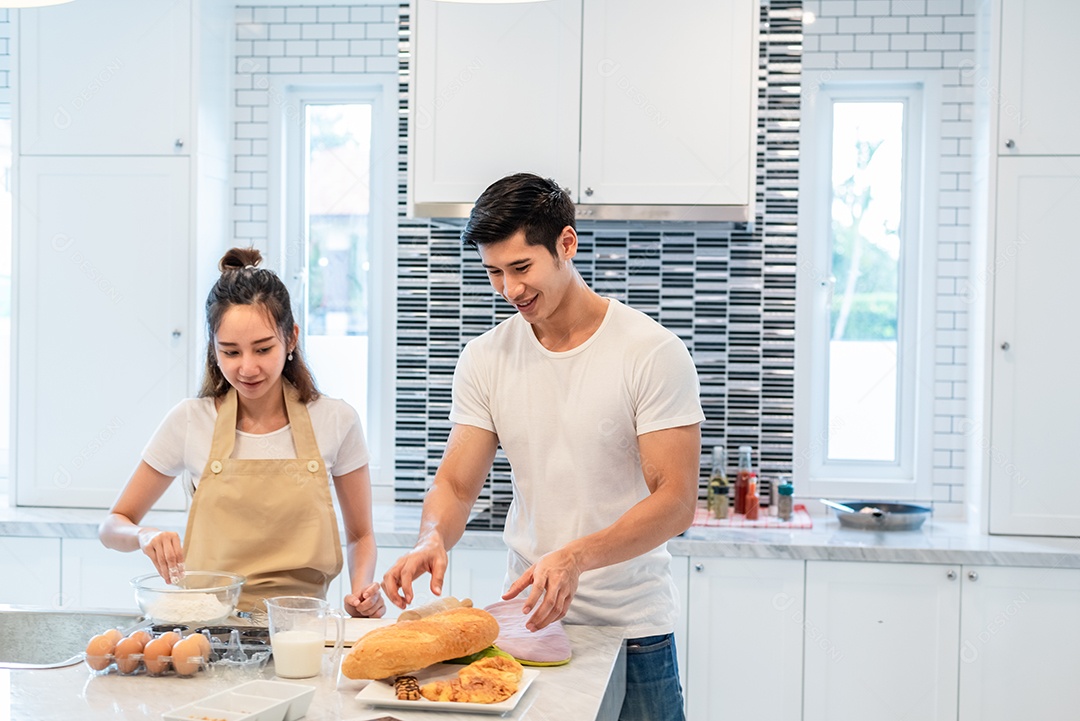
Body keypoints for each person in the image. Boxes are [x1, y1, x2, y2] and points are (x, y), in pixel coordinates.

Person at [383, 173, 703, 720]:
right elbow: (457, 485)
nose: (509, 290)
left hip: (632, 629)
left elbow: (675, 500)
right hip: (526, 626)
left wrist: (576, 556)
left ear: (566, 244)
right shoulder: (486, 358)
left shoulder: (651, 352)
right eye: (494, 272)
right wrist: (432, 537)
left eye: (521, 268)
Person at [100, 247, 384, 619]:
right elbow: (112, 524)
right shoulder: (189, 420)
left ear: (292, 338)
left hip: (299, 629)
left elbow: (360, 535)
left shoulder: (336, 420)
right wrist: (144, 536)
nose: (247, 368)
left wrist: (362, 589)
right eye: (230, 352)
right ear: (213, 350)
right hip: (206, 628)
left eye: (263, 349)